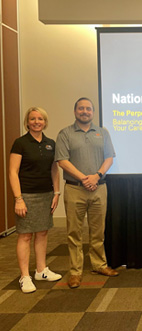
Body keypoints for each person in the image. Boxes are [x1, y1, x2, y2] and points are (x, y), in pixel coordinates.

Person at [55, 97, 118, 289]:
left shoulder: (102, 132)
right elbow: (62, 161)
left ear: (93, 112)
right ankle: (75, 272)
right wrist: (84, 178)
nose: (85, 111)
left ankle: (99, 264)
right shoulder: (65, 133)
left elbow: (109, 158)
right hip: (75, 189)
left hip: (99, 187)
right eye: (81, 108)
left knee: (98, 231)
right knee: (74, 232)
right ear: (75, 112)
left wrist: (96, 176)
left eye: (88, 109)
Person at [9, 107, 62, 293]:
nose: (37, 121)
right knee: (25, 235)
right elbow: (13, 172)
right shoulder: (20, 143)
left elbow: (54, 170)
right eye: (33, 119)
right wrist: (18, 199)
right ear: (27, 122)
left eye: (40, 119)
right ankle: (25, 276)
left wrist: (56, 193)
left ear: (45, 122)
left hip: (46, 194)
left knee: (42, 233)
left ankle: (41, 270)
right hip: (26, 196)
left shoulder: (51, 143)